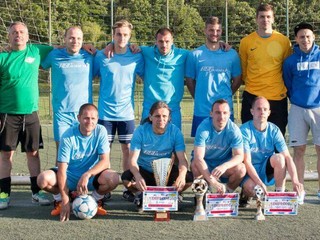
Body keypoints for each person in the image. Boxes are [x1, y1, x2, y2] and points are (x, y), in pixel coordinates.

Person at [0, 22, 54, 209]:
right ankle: (3, 194)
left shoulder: (37, 51)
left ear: (28, 35)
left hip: (31, 114)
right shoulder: (2, 58)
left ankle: (36, 192)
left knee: (33, 153)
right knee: (6, 154)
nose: (18, 35)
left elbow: (62, 47)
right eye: (14, 32)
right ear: (9, 36)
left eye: (22, 32)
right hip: (7, 114)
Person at [37, 103, 119, 221]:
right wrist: (65, 199)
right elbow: (62, 169)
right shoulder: (68, 136)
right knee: (42, 179)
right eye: (86, 118)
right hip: (69, 177)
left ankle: (95, 200)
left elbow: (105, 162)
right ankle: (60, 200)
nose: (89, 121)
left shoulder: (101, 131)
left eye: (93, 118)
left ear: (97, 119)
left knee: (114, 179)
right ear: (79, 118)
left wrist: (87, 174)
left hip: (91, 177)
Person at [94, 20, 144, 202]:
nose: (121, 38)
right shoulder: (101, 56)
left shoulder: (137, 56)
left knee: (128, 151)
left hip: (126, 114)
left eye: (125, 35)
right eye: (118, 34)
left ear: (130, 36)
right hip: (105, 114)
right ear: (113, 35)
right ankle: (103, 187)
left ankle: (128, 188)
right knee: (103, 152)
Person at [121, 101, 193, 208]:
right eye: (157, 116)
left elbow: (182, 159)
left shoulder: (175, 132)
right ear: (150, 117)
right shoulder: (140, 131)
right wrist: (138, 176)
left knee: (189, 178)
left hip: (165, 173)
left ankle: (174, 194)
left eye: (164, 116)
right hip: (145, 171)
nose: (161, 119)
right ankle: (140, 194)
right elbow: (132, 160)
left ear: (169, 118)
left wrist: (181, 176)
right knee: (126, 178)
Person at [41, 26, 96, 158]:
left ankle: (84, 178)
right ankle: (62, 179)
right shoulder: (54, 55)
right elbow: (39, 62)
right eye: (71, 38)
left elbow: (110, 51)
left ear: (83, 41)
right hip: (62, 113)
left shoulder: (90, 55)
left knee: (84, 153)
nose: (74, 41)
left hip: (85, 114)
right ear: (65, 39)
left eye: (78, 38)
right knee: (62, 152)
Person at [239, 3, 292, 135]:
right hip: (252, 96)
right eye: (262, 17)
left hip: (277, 98)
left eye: (268, 17)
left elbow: (287, 69)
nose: (265, 20)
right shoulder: (246, 42)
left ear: (273, 19)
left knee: (277, 140)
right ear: (256, 19)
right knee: (249, 140)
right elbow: (243, 70)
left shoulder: (284, 41)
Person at [240, 97, 304, 206]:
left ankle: (279, 195)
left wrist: (295, 180)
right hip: (249, 171)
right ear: (252, 111)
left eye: (265, 109)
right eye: (259, 109)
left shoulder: (274, 130)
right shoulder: (244, 130)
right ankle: (246, 194)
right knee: (252, 188)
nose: (262, 112)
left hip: (265, 169)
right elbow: (247, 162)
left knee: (280, 158)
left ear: (269, 112)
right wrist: (259, 183)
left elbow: (288, 157)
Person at [186, 16, 242, 137]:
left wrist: (227, 94)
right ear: (205, 31)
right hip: (202, 110)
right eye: (211, 30)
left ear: (221, 31)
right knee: (201, 148)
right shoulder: (195, 55)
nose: (214, 33)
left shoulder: (231, 54)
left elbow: (237, 80)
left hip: (225, 111)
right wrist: (199, 97)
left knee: (226, 148)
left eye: (218, 30)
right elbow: (190, 81)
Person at [283, 22, 320, 200]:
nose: (305, 39)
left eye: (308, 36)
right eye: (301, 36)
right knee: (299, 150)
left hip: (319, 109)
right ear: (296, 39)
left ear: (314, 37)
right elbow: (288, 84)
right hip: (297, 108)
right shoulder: (290, 61)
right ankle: (300, 190)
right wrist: (297, 100)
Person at [190, 99, 246, 194]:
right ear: (211, 113)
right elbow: (198, 158)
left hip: (223, 164)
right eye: (218, 112)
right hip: (206, 163)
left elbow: (239, 156)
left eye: (225, 113)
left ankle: (226, 193)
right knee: (195, 165)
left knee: (241, 169)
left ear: (229, 114)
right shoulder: (203, 128)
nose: (221, 117)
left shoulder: (234, 130)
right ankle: (203, 193)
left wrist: (225, 165)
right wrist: (213, 182)